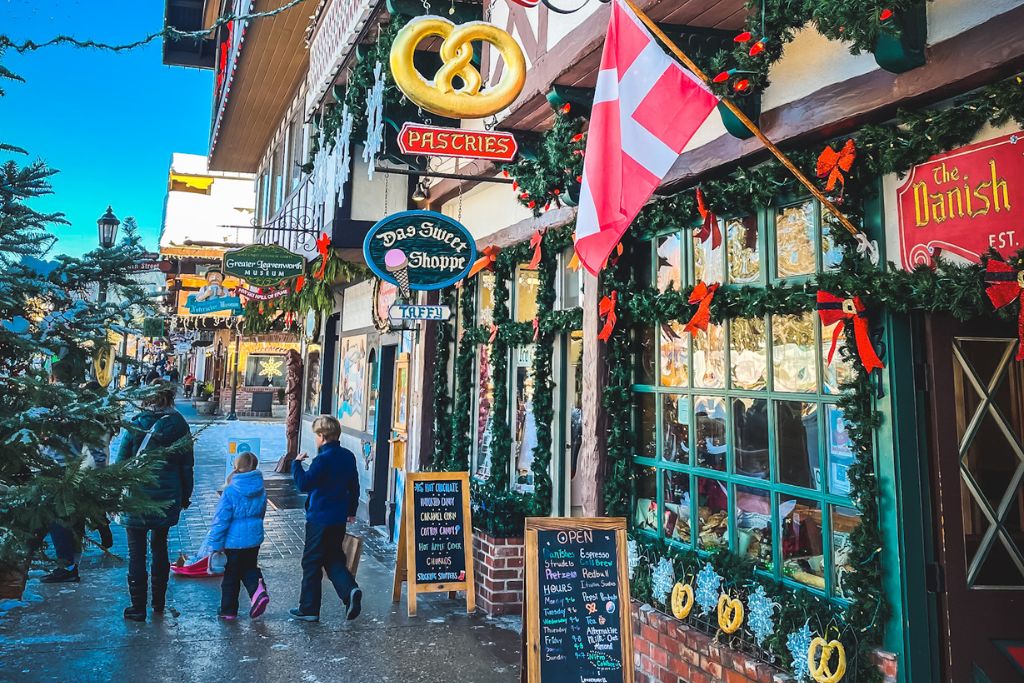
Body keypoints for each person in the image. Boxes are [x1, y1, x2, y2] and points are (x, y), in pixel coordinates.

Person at [117, 381, 194, 622]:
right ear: (170, 397)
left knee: (136, 553)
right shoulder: (179, 424)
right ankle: (158, 602)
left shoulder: (136, 423)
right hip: (167, 497)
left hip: (136, 498)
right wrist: (185, 496)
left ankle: (137, 607)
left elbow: (121, 462)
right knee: (160, 547)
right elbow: (186, 466)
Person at [289, 415, 361, 622]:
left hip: (319, 518)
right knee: (333, 558)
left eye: (316, 435)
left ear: (322, 436)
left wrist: (296, 464)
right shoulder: (348, 456)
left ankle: (309, 608)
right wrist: (351, 510)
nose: (315, 439)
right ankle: (350, 591)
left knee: (311, 561)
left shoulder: (322, 460)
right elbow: (354, 487)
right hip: (338, 517)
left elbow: (304, 484)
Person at [203, 452, 270, 620]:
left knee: (231, 575)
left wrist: (215, 544)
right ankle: (258, 591)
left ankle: (228, 610)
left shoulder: (231, 491)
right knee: (250, 567)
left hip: (233, 542)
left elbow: (221, 520)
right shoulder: (261, 489)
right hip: (254, 539)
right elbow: (261, 513)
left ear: (236, 466)